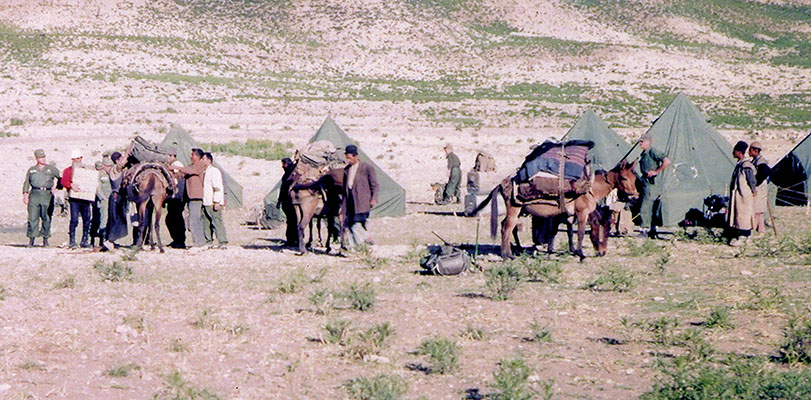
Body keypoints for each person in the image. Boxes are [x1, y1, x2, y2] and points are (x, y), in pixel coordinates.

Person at [341, 144, 378, 250]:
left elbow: (374, 184)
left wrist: (374, 198)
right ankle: (355, 248)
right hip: (350, 202)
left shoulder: (366, 167)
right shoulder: (347, 169)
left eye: (350, 158)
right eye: (347, 158)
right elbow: (345, 189)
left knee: (355, 224)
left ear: (356, 156)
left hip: (362, 202)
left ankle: (365, 240)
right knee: (348, 224)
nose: (348, 160)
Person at [22, 149, 61, 247]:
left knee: (46, 217)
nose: (43, 159)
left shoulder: (51, 169)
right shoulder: (32, 170)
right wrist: (25, 194)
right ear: (36, 158)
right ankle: (31, 239)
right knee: (32, 217)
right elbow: (27, 182)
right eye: (40, 157)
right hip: (35, 193)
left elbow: (61, 178)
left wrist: (57, 188)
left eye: (44, 157)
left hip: (47, 194)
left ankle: (45, 239)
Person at [169, 148, 207, 248]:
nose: (191, 156)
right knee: (192, 219)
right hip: (190, 196)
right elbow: (184, 173)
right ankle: (198, 242)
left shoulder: (199, 165)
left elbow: (191, 171)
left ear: (197, 156)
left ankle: (199, 243)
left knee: (194, 220)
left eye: (192, 155)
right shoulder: (191, 166)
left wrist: (177, 167)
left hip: (196, 196)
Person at [637, 135, 671, 238]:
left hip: (651, 184)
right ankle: (652, 230)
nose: (640, 144)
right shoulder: (644, 153)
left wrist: (656, 171)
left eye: (642, 142)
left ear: (648, 142)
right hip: (646, 182)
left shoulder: (653, 152)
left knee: (645, 206)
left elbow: (667, 161)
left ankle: (644, 230)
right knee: (651, 207)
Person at [61, 149, 93, 248]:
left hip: (85, 198)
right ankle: (72, 241)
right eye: (77, 158)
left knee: (87, 219)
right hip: (74, 199)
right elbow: (63, 181)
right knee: (74, 219)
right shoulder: (68, 170)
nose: (79, 160)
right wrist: (71, 185)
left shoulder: (87, 170)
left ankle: (84, 240)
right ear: (73, 159)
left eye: (80, 158)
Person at [728, 140, 757, 246]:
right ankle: (741, 234)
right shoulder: (740, 164)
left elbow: (751, 180)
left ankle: (744, 236)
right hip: (739, 195)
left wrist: (753, 190)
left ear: (738, 152)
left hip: (744, 195)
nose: (733, 153)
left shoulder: (746, 165)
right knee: (740, 215)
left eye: (734, 151)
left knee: (744, 215)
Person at [201, 152, 228, 248]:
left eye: (203, 159)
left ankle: (222, 242)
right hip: (206, 201)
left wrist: (217, 201)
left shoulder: (214, 171)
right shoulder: (204, 172)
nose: (202, 161)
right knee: (206, 222)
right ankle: (208, 241)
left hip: (213, 202)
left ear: (208, 160)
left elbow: (217, 187)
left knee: (217, 222)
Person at [106, 151, 130, 247]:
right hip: (116, 196)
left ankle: (112, 240)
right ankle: (110, 240)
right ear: (117, 160)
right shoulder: (115, 169)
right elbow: (121, 165)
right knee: (115, 218)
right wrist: (127, 152)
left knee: (119, 217)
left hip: (121, 197)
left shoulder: (120, 170)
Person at [165, 148, 187, 248]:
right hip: (173, 198)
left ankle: (180, 240)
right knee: (171, 219)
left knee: (175, 218)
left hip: (177, 198)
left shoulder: (177, 165)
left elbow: (179, 179)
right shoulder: (172, 166)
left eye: (169, 156)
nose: (168, 158)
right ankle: (176, 239)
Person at [749, 141, 770, 235]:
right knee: (758, 209)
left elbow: (765, 173)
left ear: (755, 150)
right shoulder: (755, 160)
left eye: (750, 150)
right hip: (759, 187)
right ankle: (760, 229)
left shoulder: (761, 162)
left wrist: (755, 183)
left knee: (757, 209)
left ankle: (756, 228)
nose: (749, 152)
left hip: (760, 188)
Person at [278, 157, 298, 247]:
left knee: (292, 221)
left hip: (290, 201)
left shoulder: (291, 174)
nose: (282, 166)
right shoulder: (287, 174)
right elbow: (282, 189)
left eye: (284, 164)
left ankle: (293, 240)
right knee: (291, 221)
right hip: (286, 200)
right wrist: (279, 200)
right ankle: (292, 239)